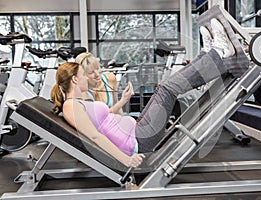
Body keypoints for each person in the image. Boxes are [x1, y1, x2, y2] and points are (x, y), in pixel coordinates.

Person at [51, 18, 243, 168]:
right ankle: (217, 54)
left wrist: (123, 100)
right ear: (75, 79)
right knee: (167, 89)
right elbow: (95, 137)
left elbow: (104, 120)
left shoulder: (78, 101)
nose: (90, 77)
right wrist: (127, 160)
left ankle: (208, 55)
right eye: (84, 74)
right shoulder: (71, 106)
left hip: (138, 129)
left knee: (163, 88)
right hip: (140, 141)